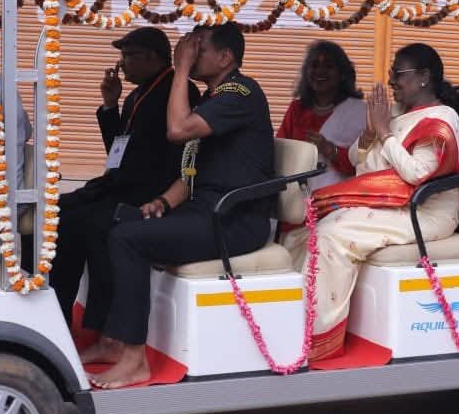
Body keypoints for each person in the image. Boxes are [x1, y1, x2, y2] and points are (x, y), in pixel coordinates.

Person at [79, 23, 274, 389]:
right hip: (206, 210)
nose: (189, 53)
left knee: (128, 239)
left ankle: (134, 360)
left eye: (199, 49)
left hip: (234, 219)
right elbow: (191, 173)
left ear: (226, 57)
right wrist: (162, 202)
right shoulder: (215, 99)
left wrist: (180, 68)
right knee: (111, 224)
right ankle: (111, 339)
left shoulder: (241, 93)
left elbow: (177, 131)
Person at [301, 43, 459, 361]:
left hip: (424, 212)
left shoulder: (443, 118)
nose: (391, 81)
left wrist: (385, 133)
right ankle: (310, 321)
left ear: (423, 78)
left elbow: (418, 173)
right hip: (391, 205)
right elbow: (354, 159)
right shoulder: (397, 116)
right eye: (391, 73)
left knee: (331, 235)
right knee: (306, 232)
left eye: (398, 74)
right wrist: (370, 133)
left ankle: (319, 338)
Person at [48, 26, 197, 321]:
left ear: (154, 57)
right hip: (117, 185)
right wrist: (109, 104)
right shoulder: (136, 95)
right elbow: (116, 150)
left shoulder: (177, 91)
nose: (122, 63)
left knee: (87, 223)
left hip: (148, 191)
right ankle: (55, 310)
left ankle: (98, 322)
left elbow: (175, 157)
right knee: (57, 210)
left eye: (130, 56)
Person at [276, 41, 366, 189]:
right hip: (295, 198)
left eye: (329, 66)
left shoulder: (359, 112)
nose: (320, 71)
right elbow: (281, 153)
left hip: (341, 201)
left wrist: (331, 150)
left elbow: (364, 162)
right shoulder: (296, 109)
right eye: (314, 65)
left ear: (342, 74)